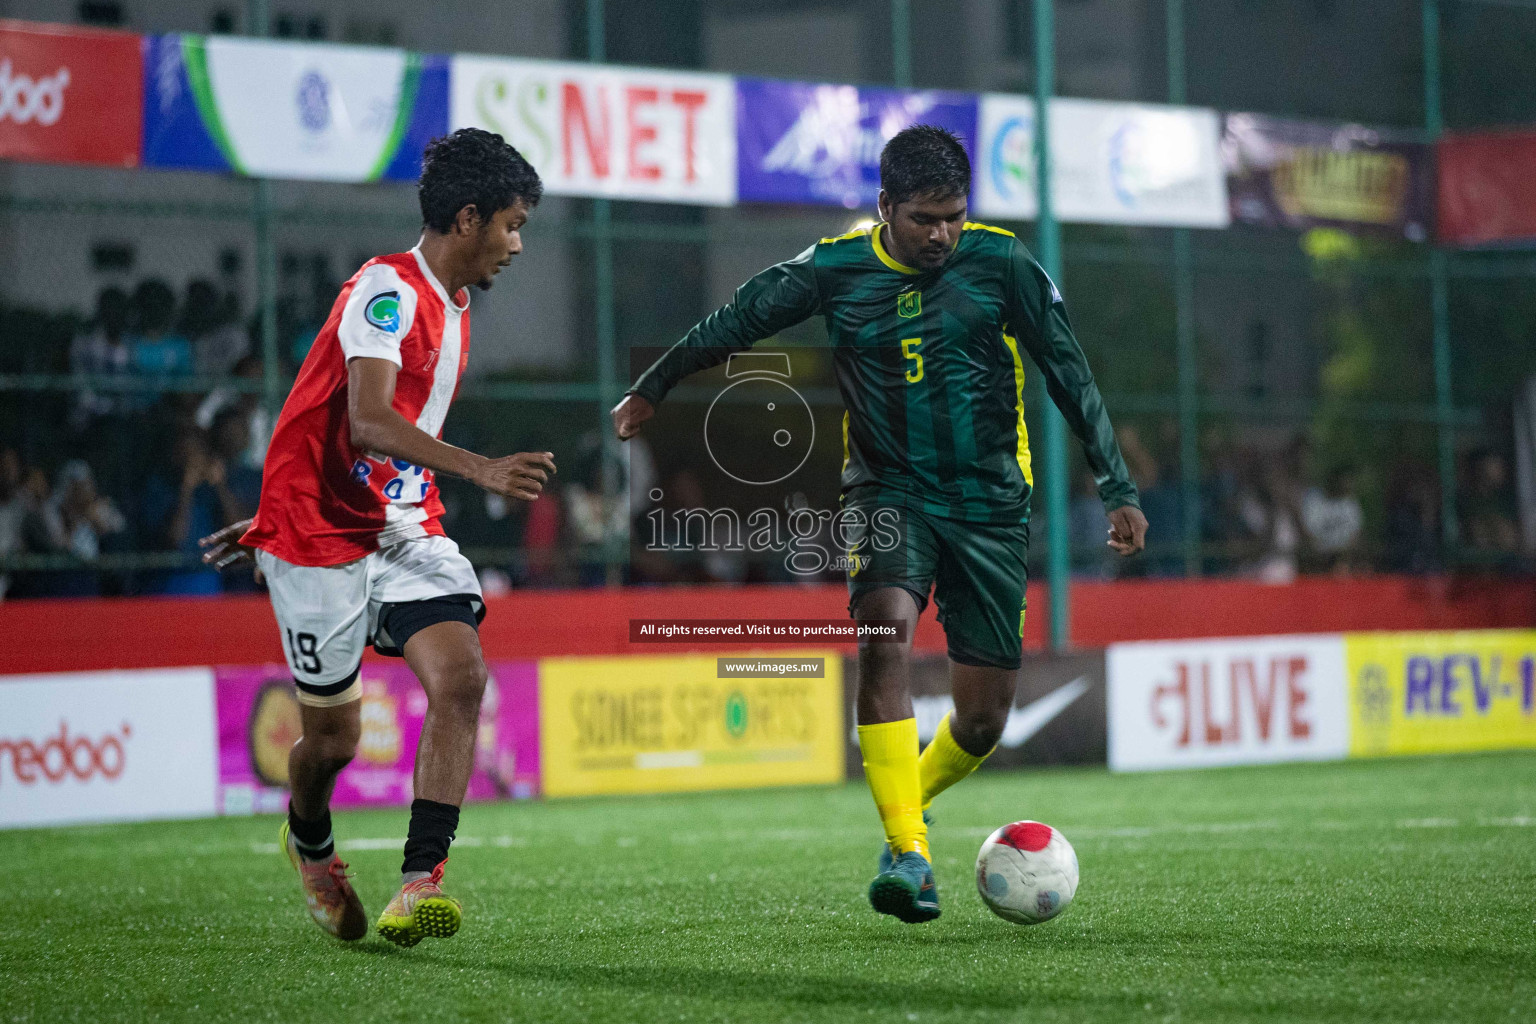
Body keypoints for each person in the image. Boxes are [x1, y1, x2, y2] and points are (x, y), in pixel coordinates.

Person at [612, 125, 1146, 924]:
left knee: (982, 719)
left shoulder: (1000, 263)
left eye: (953, 218)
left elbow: (1068, 370)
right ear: (885, 207)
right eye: (924, 219)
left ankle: (911, 804)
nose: (941, 235)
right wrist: (654, 387)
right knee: (884, 636)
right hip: (887, 491)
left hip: (991, 503)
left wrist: (1117, 484)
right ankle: (908, 853)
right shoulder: (834, 268)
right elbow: (737, 320)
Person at [198, 128, 555, 947]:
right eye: (511, 224)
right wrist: (480, 468)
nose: (517, 243)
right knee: (334, 740)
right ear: (467, 219)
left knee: (461, 678)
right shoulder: (384, 290)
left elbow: (335, 422)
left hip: (399, 528)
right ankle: (310, 842)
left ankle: (418, 883)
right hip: (320, 536)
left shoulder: (456, 307)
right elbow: (363, 419)